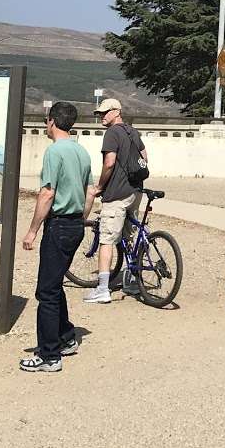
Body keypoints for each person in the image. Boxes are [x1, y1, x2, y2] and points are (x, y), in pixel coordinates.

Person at [20, 101, 94, 373]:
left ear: (51, 121)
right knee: (55, 283)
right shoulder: (82, 152)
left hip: (59, 224)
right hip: (75, 224)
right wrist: (82, 218)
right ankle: (66, 336)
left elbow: (47, 193)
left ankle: (49, 355)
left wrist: (32, 230)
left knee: (46, 291)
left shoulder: (54, 152)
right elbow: (89, 192)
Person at [85, 97, 147, 304]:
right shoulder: (132, 131)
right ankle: (131, 281)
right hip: (135, 191)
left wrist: (100, 186)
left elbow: (109, 162)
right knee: (129, 236)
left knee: (107, 239)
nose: (102, 116)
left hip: (117, 193)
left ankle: (103, 289)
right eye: (100, 113)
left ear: (116, 112)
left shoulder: (112, 133)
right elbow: (145, 157)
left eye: (105, 113)